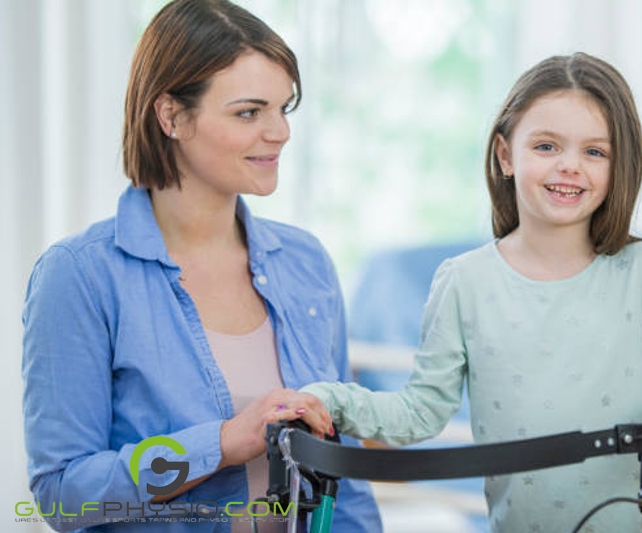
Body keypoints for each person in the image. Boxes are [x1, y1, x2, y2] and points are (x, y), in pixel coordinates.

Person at [300, 52, 642, 532]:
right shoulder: (464, 281)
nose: (570, 166)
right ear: (506, 155)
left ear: (619, 165)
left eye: (595, 152)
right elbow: (420, 411)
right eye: (547, 146)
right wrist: (330, 399)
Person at [21, 1, 381, 532]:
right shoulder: (80, 276)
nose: (279, 132)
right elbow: (63, 496)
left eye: (285, 108)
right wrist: (220, 444)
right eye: (249, 112)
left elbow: (342, 475)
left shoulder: (306, 264)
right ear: (171, 116)